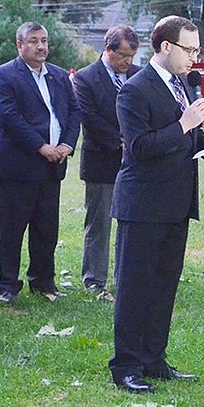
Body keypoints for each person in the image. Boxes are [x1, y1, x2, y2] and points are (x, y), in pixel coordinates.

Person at [109, 15, 204, 394]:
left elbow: (188, 138)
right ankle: (126, 365)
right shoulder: (134, 90)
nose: (194, 57)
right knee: (135, 287)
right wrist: (184, 124)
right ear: (166, 47)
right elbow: (140, 147)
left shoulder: (180, 85)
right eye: (189, 49)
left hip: (176, 202)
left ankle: (154, 358)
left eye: (198, 50)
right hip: (142, 203)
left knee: (164, 285)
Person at [0, 21, 80, 303]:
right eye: (33, 41)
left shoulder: (59, 75)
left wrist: (66, 144)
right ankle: (8, 284)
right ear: (19, 45)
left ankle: (43, 281)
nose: (40, 46)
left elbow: (74, 111)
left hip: (53, 167)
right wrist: (41, 146)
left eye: (44, 40)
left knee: (46, 228)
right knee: (12, 228)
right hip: (19, 166)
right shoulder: (5, 75)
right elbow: (9, 117)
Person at [73, 25, 142, 299]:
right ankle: (94, 279)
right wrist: (121, 140)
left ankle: (127, 276)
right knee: (99, 223)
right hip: (102, 161)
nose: (127, 62)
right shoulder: (86, 78)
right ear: (109, 49)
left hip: (135, 164)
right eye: (123, 55)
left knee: (133, 222)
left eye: (132, 56)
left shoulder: (138, 76)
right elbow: (88, 117)